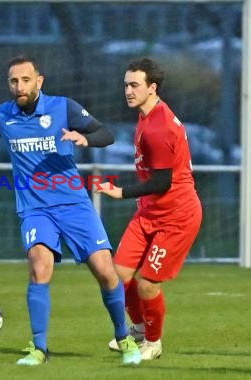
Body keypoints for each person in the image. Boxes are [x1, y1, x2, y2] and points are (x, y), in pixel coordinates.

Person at [0, 55, 141, 366]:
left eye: (25, 80)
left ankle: (124, 337)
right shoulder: (4, 114)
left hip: (74, 204)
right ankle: (39, 348)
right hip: (35, 209)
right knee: (39, 267)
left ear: (39, 81)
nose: (19, 86)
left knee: (105, 271)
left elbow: (106, 134)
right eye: (14, 81)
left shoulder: (63, 107)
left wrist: (83, 137)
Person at [96, 58, 202, 360]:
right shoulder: (147, 115)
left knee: (146, 283)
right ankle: (140, 329)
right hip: (150, 212)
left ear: (152, 87)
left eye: (134, 85)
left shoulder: (159, 127)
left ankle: (153, 343)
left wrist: (121, 191)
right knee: (117, 275)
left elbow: (162, 181)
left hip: (176, 217)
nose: (128, 91)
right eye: (126, 85)